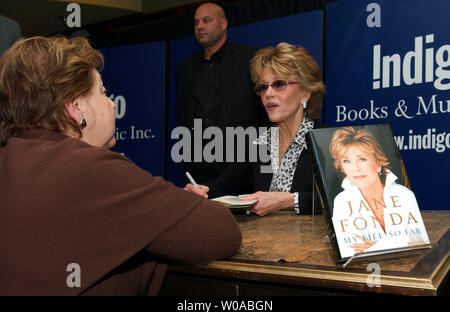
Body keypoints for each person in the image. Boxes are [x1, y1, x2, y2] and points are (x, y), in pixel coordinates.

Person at [0, 36, 242, 296]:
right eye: (103, 92)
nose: (111, 103)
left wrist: (167, 211)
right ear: (76, 108)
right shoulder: (87, 168)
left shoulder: (13, 158)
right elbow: (221, 233)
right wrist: (170, 216)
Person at [186, 42, 326, 216]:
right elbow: (226, 186)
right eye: (263, 87)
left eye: (279, 84)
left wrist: (287, 201)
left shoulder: (325, 144)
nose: (268, 93)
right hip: (264, 240)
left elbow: (339, 198)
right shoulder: (259, 144)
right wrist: (202, 191)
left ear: (305, 92)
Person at [176, 2, 269, 194]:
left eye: (206, 20)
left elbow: (263, 115)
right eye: (196, 22)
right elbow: (183, 118)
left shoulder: (250, 59)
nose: (200, 26)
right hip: (199, 170)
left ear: (223, 23)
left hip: (243, 169)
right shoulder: (184, 69)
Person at [329, 127, 430, 258]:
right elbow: (349, 252)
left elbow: (423, 245)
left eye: (362, 159)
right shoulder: (342, 201)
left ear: (378, 163)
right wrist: (401, 245)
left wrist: (379, 247)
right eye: (346, 161)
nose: (355, 168)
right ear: (342, 168)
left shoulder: (404, 195)